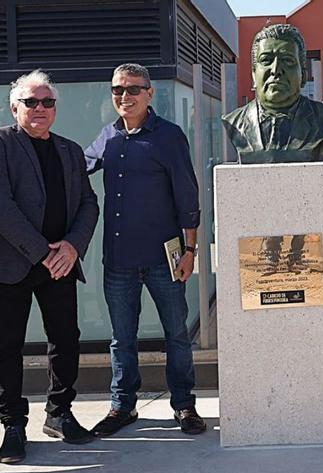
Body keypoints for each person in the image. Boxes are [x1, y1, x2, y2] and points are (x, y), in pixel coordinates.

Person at [0, 70, 100, 463]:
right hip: (8, 265)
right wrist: (43, 251)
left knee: (66, 339)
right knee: (6, 347)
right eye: (31, 102)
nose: (40, 108)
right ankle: (12, 426)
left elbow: (89, 203)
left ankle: (59, 413)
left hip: (59, 264)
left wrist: (73, 247)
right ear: (14, 107)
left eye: (47, 102)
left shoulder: (71, 151)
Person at [85, 63, 206, 437]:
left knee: (176, 335)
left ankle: (184, 405)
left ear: (149, 93)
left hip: (163, 259)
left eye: (133, 89)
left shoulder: (168, 136)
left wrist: (190, 250)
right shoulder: (108, 136)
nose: (125, 96)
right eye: (118, 90)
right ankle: (122, 406)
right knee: (122, 339)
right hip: (119, 261)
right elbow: (76, 168)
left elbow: (187, 197)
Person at [221, 23, 323, 164]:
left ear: (303, 76)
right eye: (266, 60)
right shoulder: (234, 122)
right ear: (254, 75)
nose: (276, 70)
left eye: (287, 60)